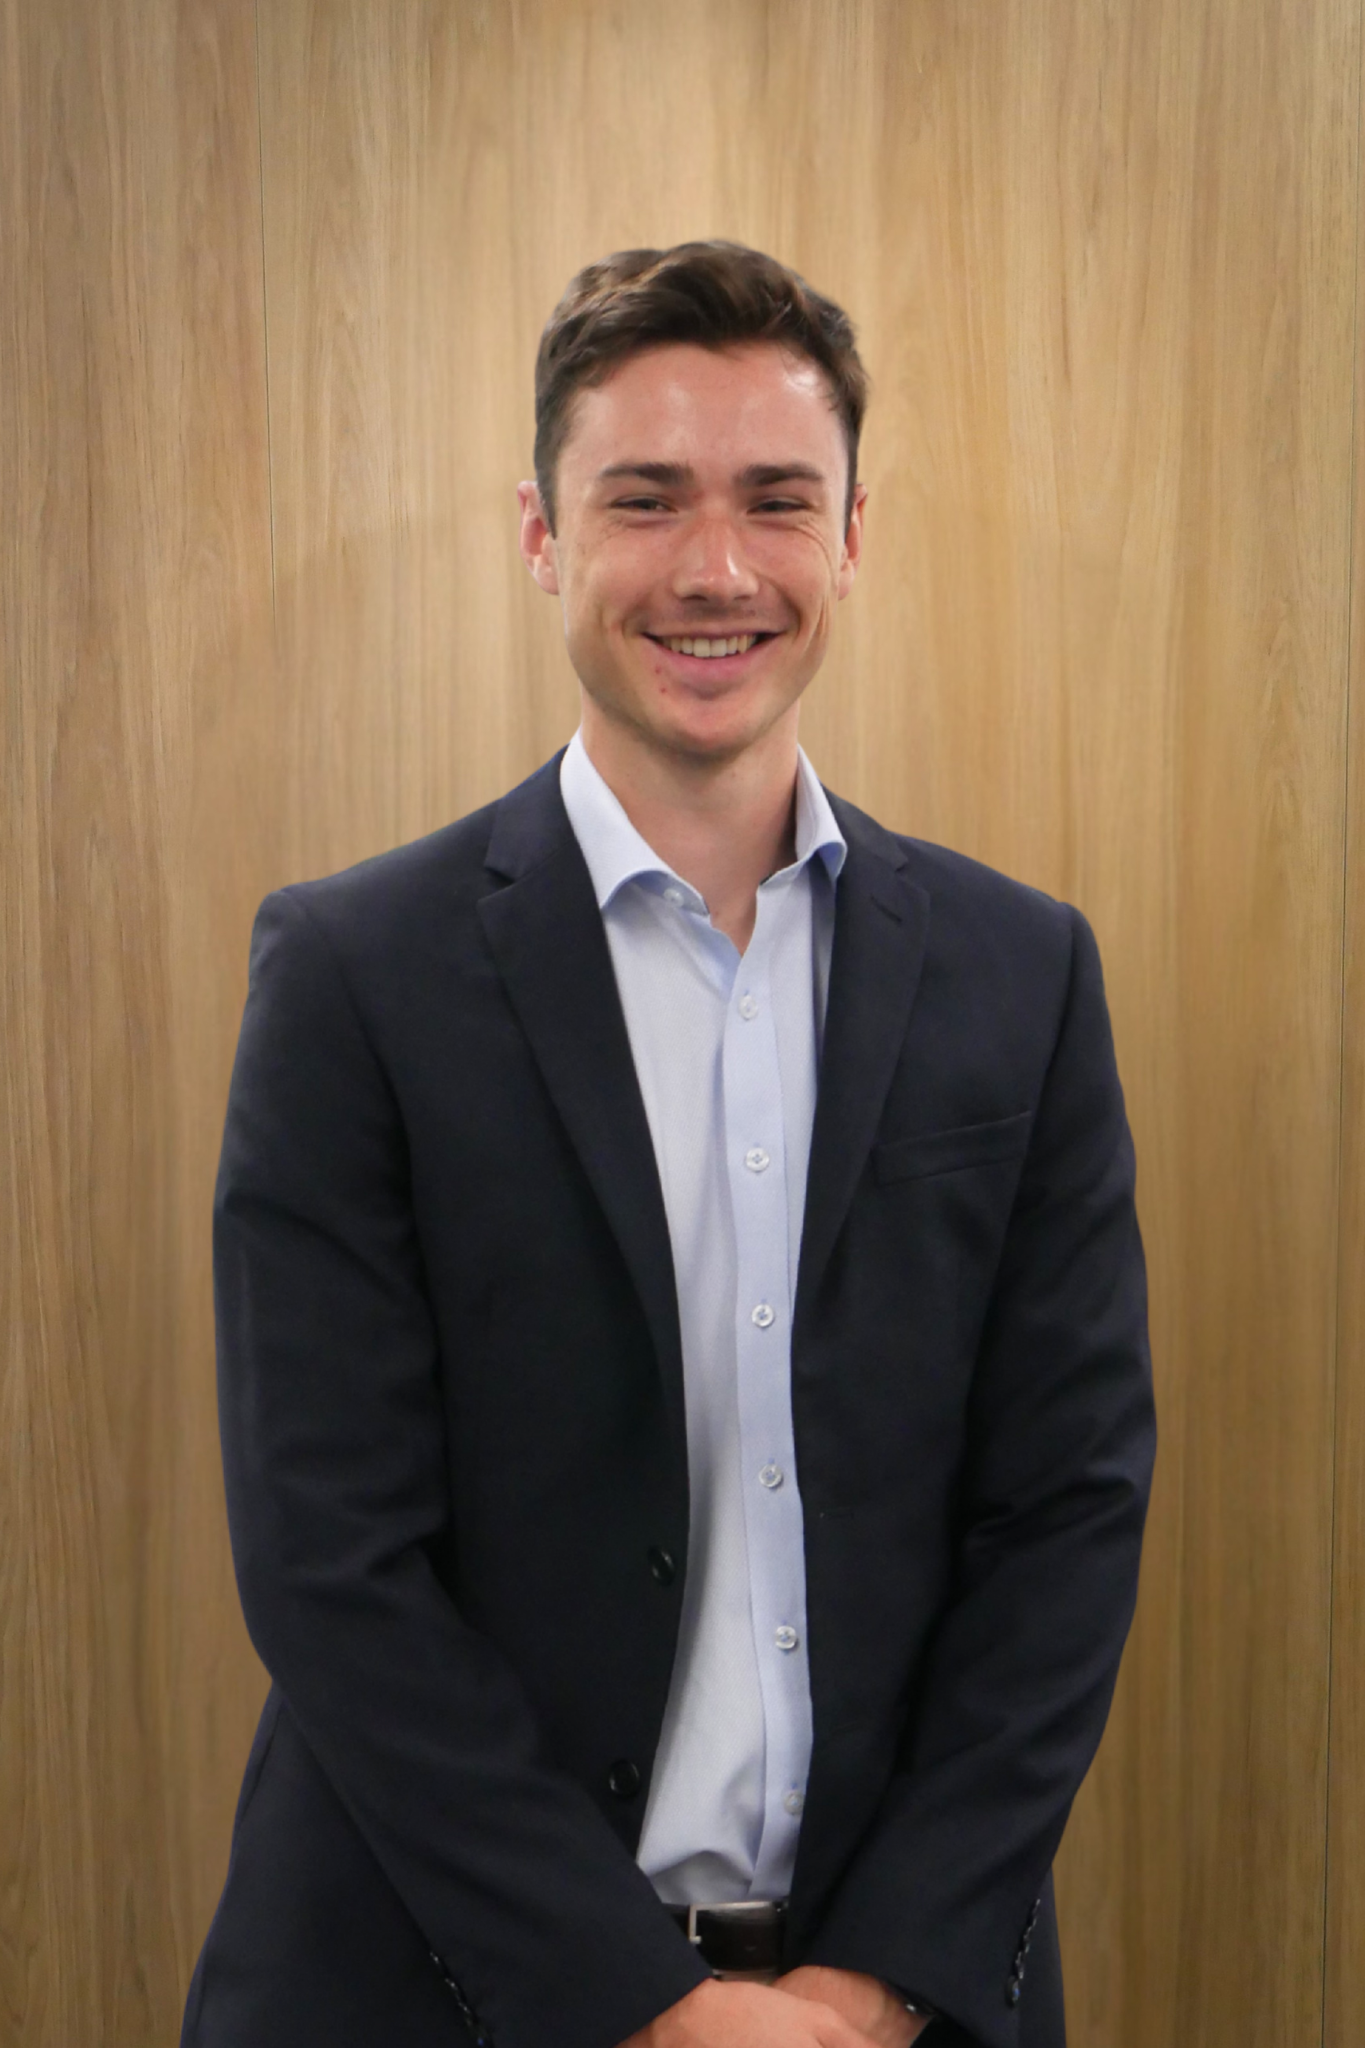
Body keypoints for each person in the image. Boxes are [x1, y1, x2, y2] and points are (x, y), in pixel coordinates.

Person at [182, 242, 1155, 2048]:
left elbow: (1068, 1521)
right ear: (541, 537)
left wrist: (872, 1992)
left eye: (779, 500)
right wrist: (649, 2011)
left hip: (909, 2001)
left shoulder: (1027, 975)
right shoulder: (351, 978)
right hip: (436, 1995)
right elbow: (332, 1563)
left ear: (852, 536)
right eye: (646, 500)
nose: (717, 569)